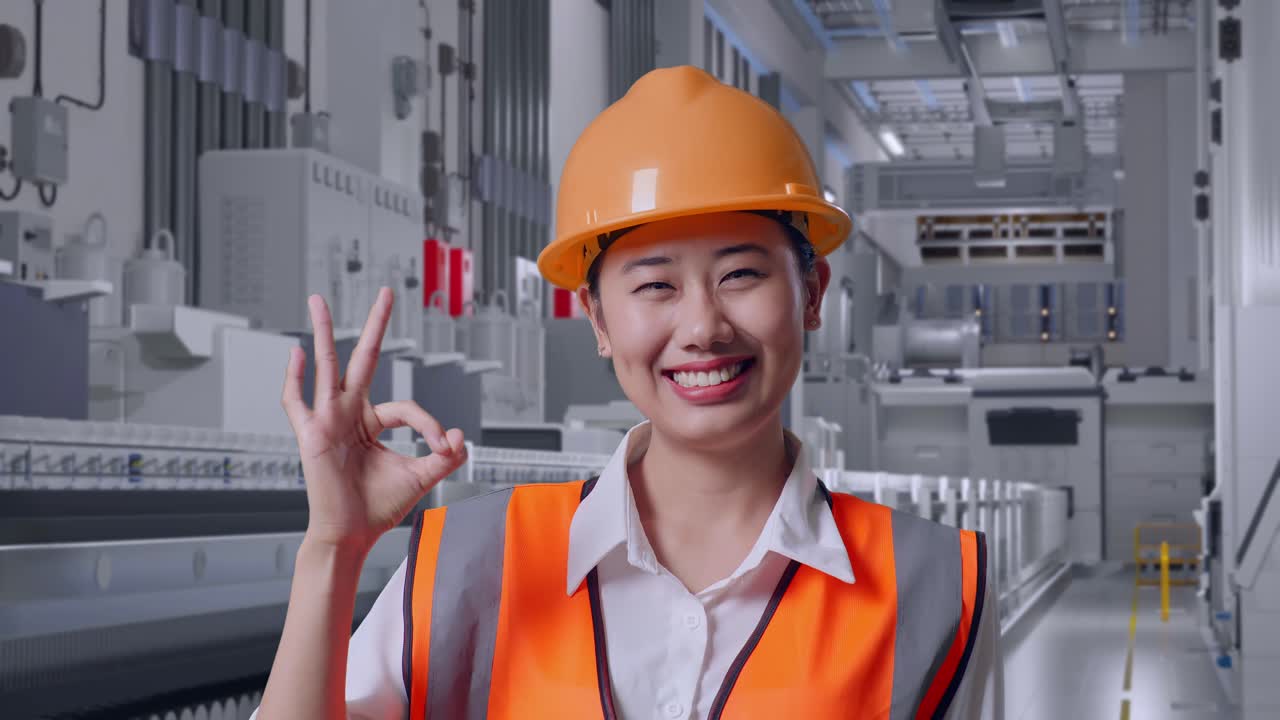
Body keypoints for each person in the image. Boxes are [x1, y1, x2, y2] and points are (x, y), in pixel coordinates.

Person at [253, 65, 1002, 719]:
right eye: (655, 286)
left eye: (741, 274)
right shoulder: (465, 565)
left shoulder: (939, 587)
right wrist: (333, 550)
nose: (703, 327)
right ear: (598, 318)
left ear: (811, 293)